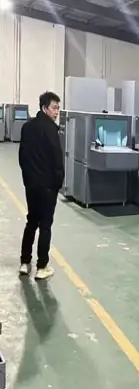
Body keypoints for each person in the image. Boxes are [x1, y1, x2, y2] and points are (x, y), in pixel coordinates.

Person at [18, 91, 64, 280]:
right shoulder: (51, 130)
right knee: (45, 225)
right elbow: (57, 160)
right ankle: (42, 266)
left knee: (31, 221)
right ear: (44, 108)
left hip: (31, 186)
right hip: (47, 187)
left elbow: (22, 157)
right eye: (54, 108)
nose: (56, 112)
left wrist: (28, 180)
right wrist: (57, 184)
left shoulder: (27, 127)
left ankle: (24, 262)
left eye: (58, 108)